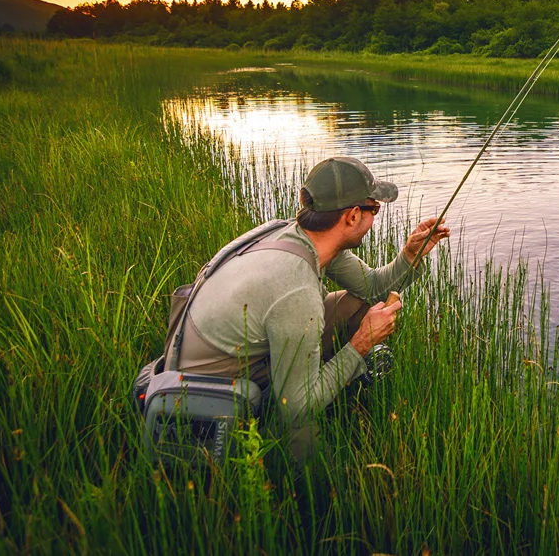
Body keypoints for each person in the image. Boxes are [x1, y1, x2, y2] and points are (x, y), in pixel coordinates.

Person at [164, 156, 449, 449]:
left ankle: (323, 379)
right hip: (212, 386)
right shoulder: (297, 290)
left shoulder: (297, 235)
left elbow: (372, 289)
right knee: (304, 429)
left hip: (229, 350)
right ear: (351, 216)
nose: (375, 218)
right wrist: (362, 343)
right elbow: (296, 407)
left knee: (354, 305)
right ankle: (293, 471)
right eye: (373, 209)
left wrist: (411, 255)